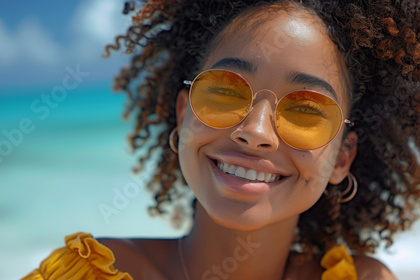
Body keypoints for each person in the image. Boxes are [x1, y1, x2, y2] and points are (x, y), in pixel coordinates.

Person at [22, 0, 420, 279]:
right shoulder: (87, 274)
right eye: (226, 91)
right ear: (183, 115)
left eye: (305, 109)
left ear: (341, 159)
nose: (256, 133)